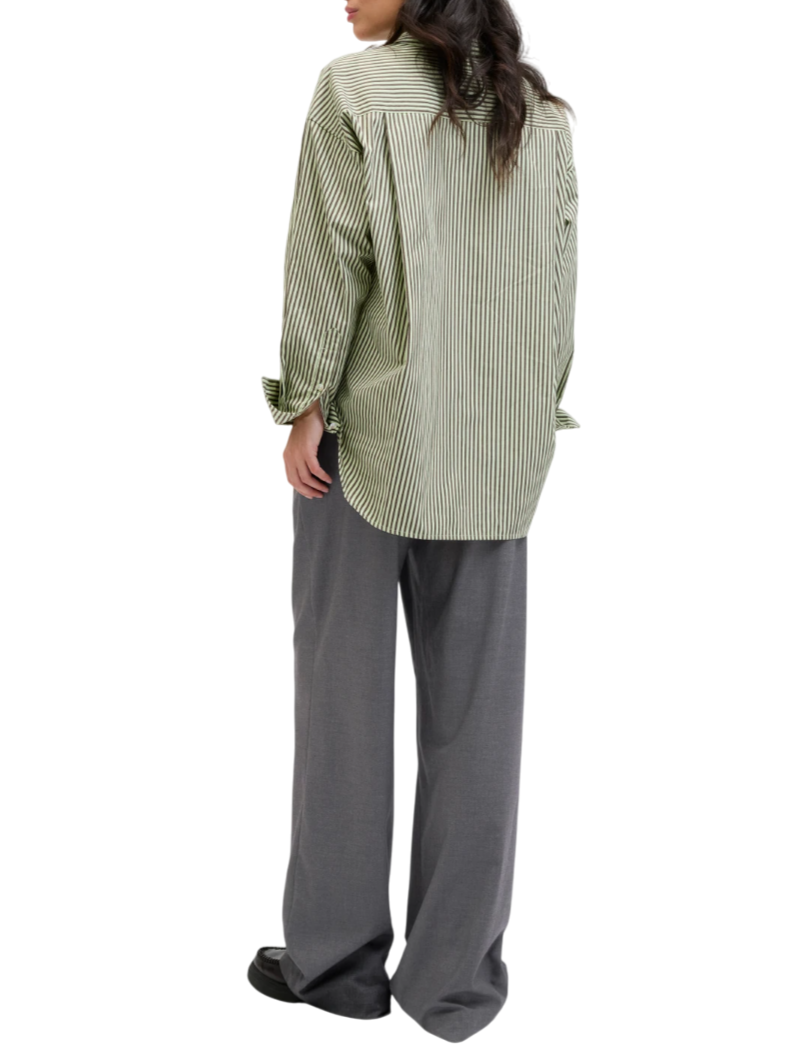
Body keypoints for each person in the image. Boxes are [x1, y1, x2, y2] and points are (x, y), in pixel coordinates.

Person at [247, 0, 581, 1042]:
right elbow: (558, 290)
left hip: (364, 446)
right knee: (479, 718)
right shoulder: (539, 113)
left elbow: (330, 258)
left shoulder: (353, 91)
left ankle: (337, 961)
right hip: (496, 450)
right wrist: (526, 418)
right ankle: (453, 982)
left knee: (340, 700)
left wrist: (305, 402)